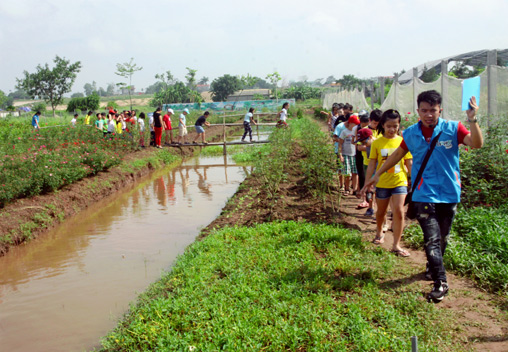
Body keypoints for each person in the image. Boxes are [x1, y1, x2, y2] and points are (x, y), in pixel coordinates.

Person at [362, 90, 483, 303]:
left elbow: (476, 143)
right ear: (418, 111)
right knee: (432, 238)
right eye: (424, 110)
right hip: (423, 193)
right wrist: (376, 175)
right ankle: (441, 282)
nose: (428, 114)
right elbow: (397, 155)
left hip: (448, 193)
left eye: (433, 110)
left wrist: (472, 119)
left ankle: (432, 267)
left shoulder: (453, 129)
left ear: (440, 110)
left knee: (442, 238)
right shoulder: (410, 134)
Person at [363, 109, 412, 258]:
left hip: (400, 181)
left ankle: (396, 244)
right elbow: (372, 164)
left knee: (398, 211)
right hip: (382, 182)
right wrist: (368, 182)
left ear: (399, 126)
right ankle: (379, 231)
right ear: (383, 125)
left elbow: (408, 161)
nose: (392, 129)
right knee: (381, 212)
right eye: (389, 126)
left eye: (395, 126)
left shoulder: (403, 142)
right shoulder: (377, 143)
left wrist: (413, 179)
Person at [335, 115, 360, 195]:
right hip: (346, 154)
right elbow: (340, 144)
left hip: (354, 155)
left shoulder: (356, 132)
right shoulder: (344, 132)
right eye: (355, 124)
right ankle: (347, 188)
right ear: (350, 123)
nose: (356, 126)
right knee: (347, 173)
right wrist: (341, 155)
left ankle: (355, 189)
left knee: (355, 173)